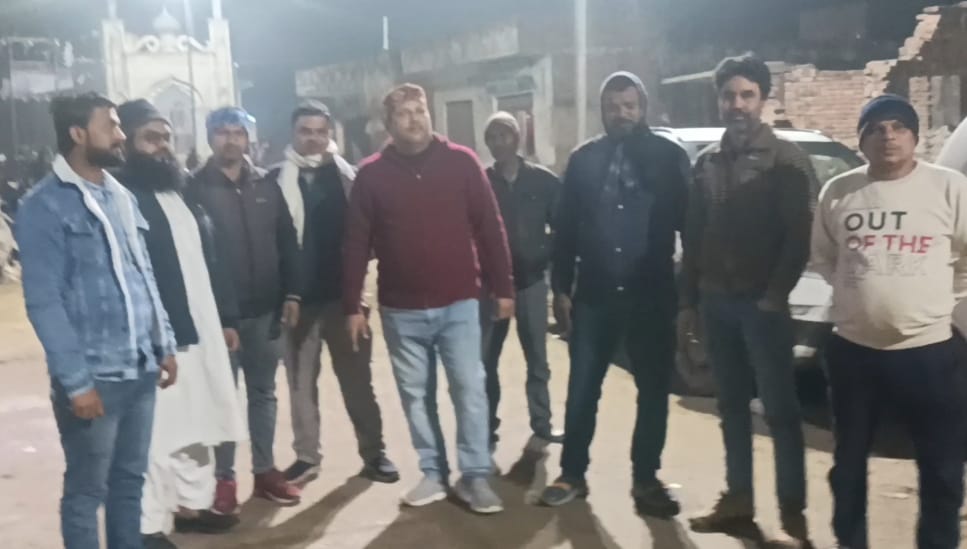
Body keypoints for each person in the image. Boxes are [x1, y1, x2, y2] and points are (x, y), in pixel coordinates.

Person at [15, 92, 178, 549]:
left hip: (139, 369)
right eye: (112, 126)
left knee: (129, 483)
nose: (121, 135)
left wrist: (162, 340)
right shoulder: (44, 206)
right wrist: (76, 382)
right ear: (78, 133)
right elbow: (44, 302)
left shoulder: (120, 196)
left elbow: (142, 274)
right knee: (87, 494)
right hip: (95, 378)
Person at [343, 83, 514, 514]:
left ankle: (475, 476)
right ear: (389, 124)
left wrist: (504, 287)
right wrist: (353, 304)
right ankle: (433, 473)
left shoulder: (461, 162)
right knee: (416, 396)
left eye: (420, 110)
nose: (415, 119)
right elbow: (356, 242)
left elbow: (490, 227)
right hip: (401, 311)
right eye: (404, 114)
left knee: (469, 390)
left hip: (459, 303)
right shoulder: (371, 175)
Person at [812, 94, 967, 549]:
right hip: (854, 351)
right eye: (876, 129)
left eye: (899, 127)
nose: (888, 136)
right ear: (861, 140)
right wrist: (860, 296)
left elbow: (965, 260)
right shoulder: (839, 191)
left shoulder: (949, 188)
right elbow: (825, 258)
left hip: (930, 351)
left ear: (915, 136)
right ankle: (850, 540)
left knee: (942, 467)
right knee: (848, 464)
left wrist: (935, 301)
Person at [539, 72, 688, 518]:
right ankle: (572, 473)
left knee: (653, 392)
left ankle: (646, 479)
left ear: (643, 108)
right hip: (595, 296)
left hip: (651, 296)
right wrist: (560, 287)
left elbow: (691, 227)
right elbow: (565, 230)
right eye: (612, 107)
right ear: (601, 110)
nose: (621, 114)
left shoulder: (669, 158)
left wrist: (690, 297)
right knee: (583, 388)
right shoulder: (584, 160)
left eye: (629, 106)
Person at [679, 54, 814, 546]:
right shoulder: (707, 163)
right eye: (728, 95)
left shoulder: (786, 161)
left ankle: (792, 514)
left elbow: (799, 237)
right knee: (731, 406)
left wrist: (775, 296)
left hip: (763, 308)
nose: (737, 104)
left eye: (747, 95)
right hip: (717, 304)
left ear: (763, 99)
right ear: (718, 100)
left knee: (779, 411)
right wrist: (689, 301)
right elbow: (693, 236)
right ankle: (738, 500)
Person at [113, 99, 247, 548]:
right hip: (158, 335)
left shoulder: (181, 189)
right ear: (127, 144)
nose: (162, 146)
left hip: (202, 327)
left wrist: (226, 317)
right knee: (157, 431)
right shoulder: (120, 197)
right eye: (150, 138)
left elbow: (212, 256)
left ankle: (193, 504)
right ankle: (147, 525)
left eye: (166, 137)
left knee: (199, 417)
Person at [270, 101, 398, 486]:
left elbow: (369, 235)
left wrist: (361, 294)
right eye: (305, 131)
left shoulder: (348, 178)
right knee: (300, 386)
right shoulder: (274, 180)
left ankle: (374, 454)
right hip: (297, 304)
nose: (313, 139)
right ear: (293, 133)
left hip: (345, 302)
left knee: (358, 382)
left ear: (330, 135)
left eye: (320, 131)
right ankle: (307, 457)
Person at [189, 106, 303, 513]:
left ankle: (265, 471)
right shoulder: (193, 189)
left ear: (248, 138)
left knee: (263, 393)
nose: (231, 140)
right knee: (223, 399)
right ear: (210, 138)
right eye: (223, 132)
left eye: (238, 132)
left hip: (267, 314)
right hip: (221, 320)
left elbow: (287, 241)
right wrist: (217, 316)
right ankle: (224, 479)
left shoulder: (265, 185)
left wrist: (293, 294)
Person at [480, 111, 562, 451]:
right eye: (493, 137)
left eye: (505, 135)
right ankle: (485, 425)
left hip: (531, 284)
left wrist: (546, 257)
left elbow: (562, 228)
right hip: (492, 287)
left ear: (517, 138)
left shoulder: (542, 181)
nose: (499, 143)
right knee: (485, 361)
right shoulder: (481, 183)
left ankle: (542, 423)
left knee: (537, 360)